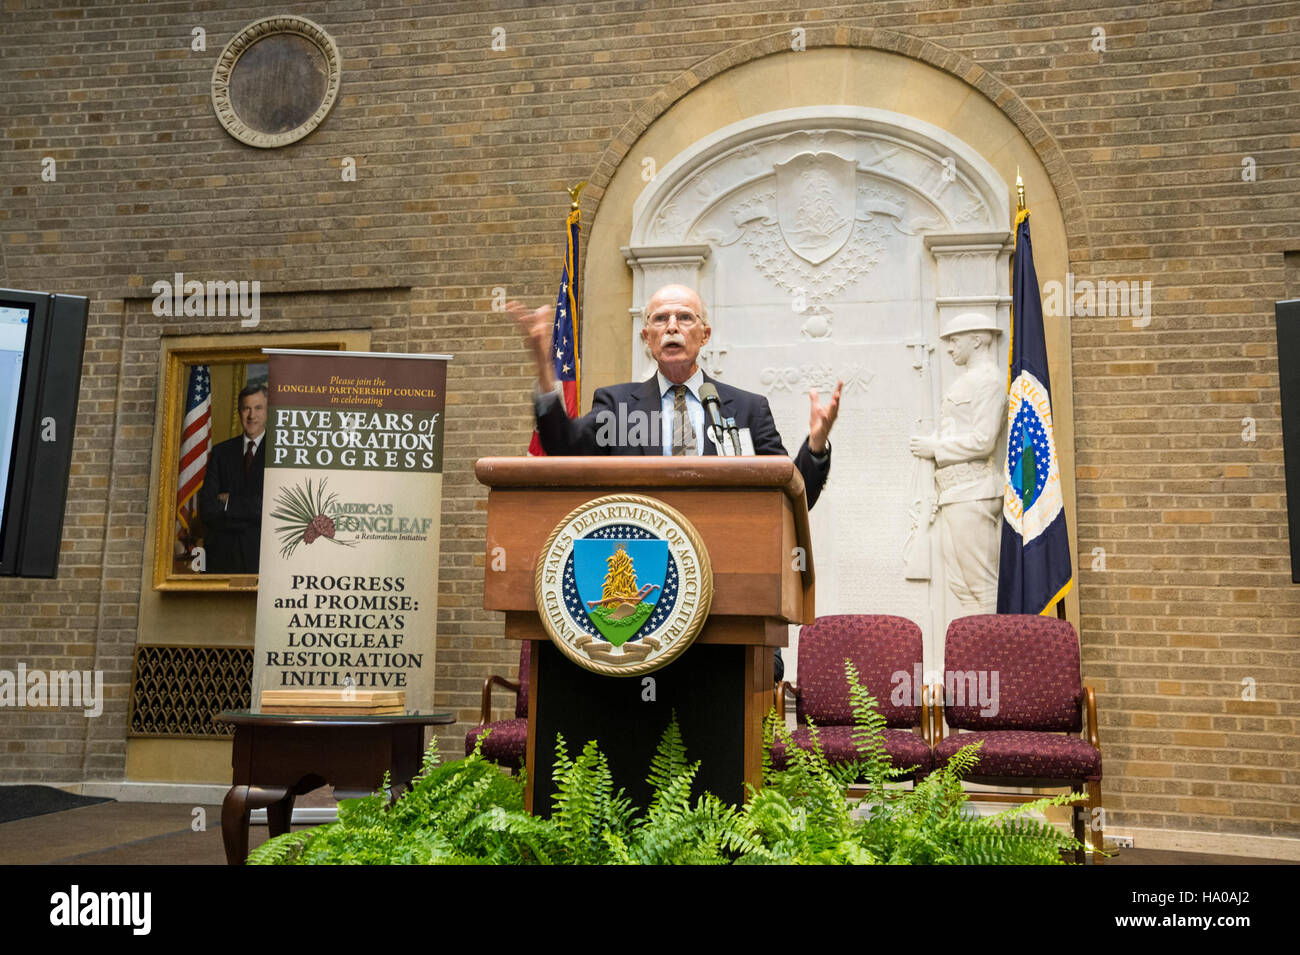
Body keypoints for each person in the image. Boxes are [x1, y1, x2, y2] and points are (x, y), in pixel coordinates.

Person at [511, 283, 842, 679]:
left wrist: (817, 443)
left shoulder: (747, 409)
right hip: (643, 593)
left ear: (704, 335)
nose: (672, 327)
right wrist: (544, 371)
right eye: (660, 319)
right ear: (646, 336)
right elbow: (562, 447)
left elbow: (791, 496)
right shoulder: (616, 405)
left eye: (685, 317)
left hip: (728, 595)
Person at [908, 313, 1006, 614]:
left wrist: (935, 448)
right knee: (960, 586)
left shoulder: (990, 381)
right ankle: (975, 656)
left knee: (982, 586)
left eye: (954, 340)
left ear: (976, 339)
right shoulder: (968, 381)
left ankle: (995, 659)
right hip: (953, 493)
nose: (949, 348)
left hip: (974, 491)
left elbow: (983, 439)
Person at [199, 382, 267, 573]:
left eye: (258, 408)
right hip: (221, 557)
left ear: (267, 411)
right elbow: (207, 508)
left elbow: (274, 508)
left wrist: (228, 502)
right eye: (246, 408)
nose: (252, 415)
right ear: (239, 412)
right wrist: (253, 510)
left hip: (261, 558)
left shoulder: (279, 453)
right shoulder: (221, 452)